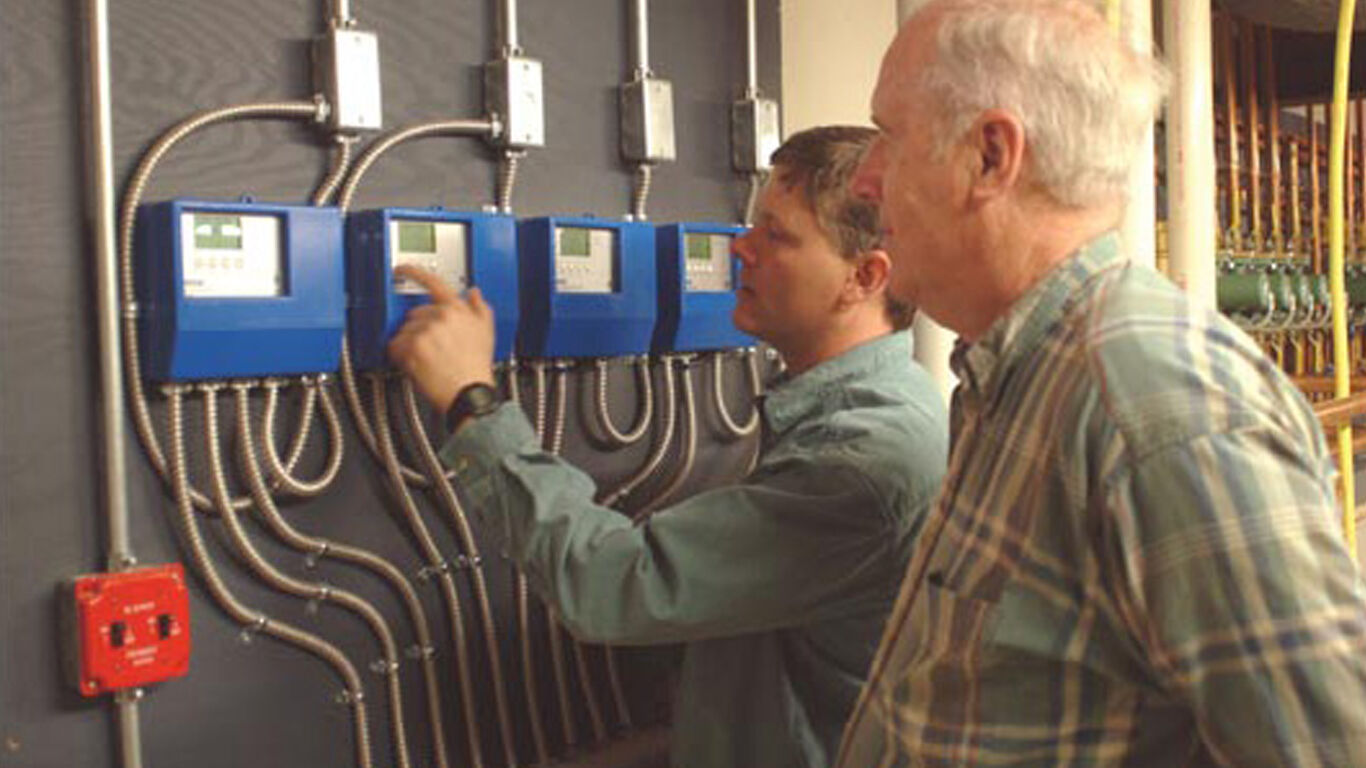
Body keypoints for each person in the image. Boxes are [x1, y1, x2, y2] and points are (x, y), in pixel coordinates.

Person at [838, 1, 1366, 766]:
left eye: (889, 134)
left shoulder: (1156, 404)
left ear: (991, 156)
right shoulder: (1021, 371)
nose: (863, 179)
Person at [389, 125, 950, 768]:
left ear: (865, 276)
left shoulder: (860, 458)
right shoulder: (881, 405)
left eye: (777, 235)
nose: (742, 249)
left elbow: (614, 584)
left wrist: (472, 402)